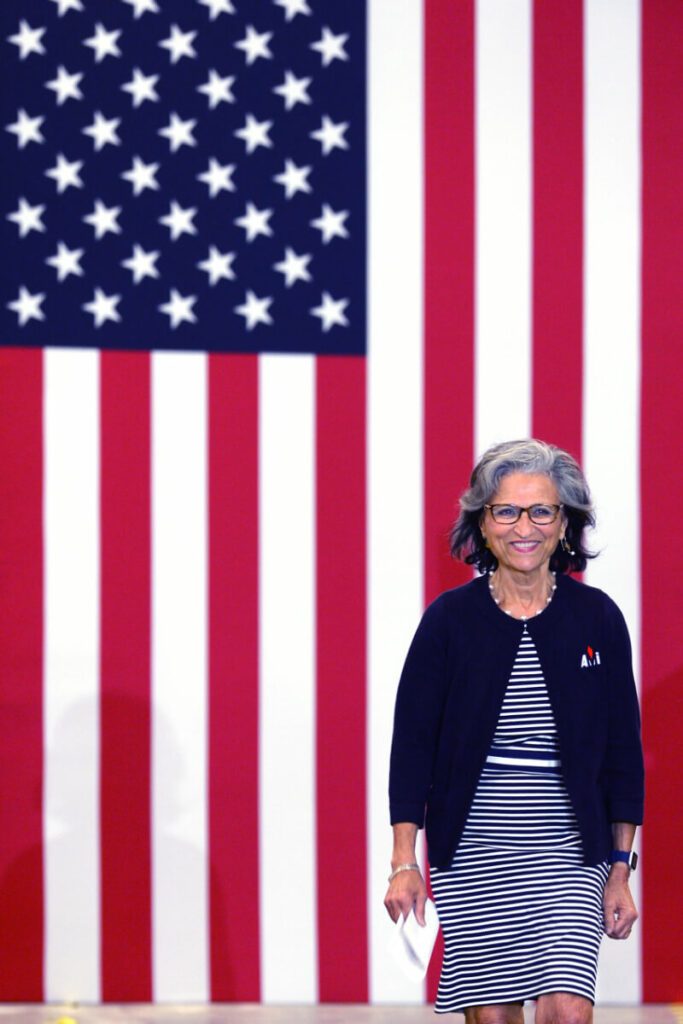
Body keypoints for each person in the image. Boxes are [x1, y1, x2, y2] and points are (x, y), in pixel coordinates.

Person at [384, 439, 644, 1024]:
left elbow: (624, 757)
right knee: (494, 1020)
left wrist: (621, 871)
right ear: (482, 522)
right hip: (474, 854)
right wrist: (405, 861)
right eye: (506, 511)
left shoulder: (597, 617)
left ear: (564, 525)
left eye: (542, 511)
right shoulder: (448, 621)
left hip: (570, 852)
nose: (524, 526)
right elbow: (412, 750)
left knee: (567, 1014)